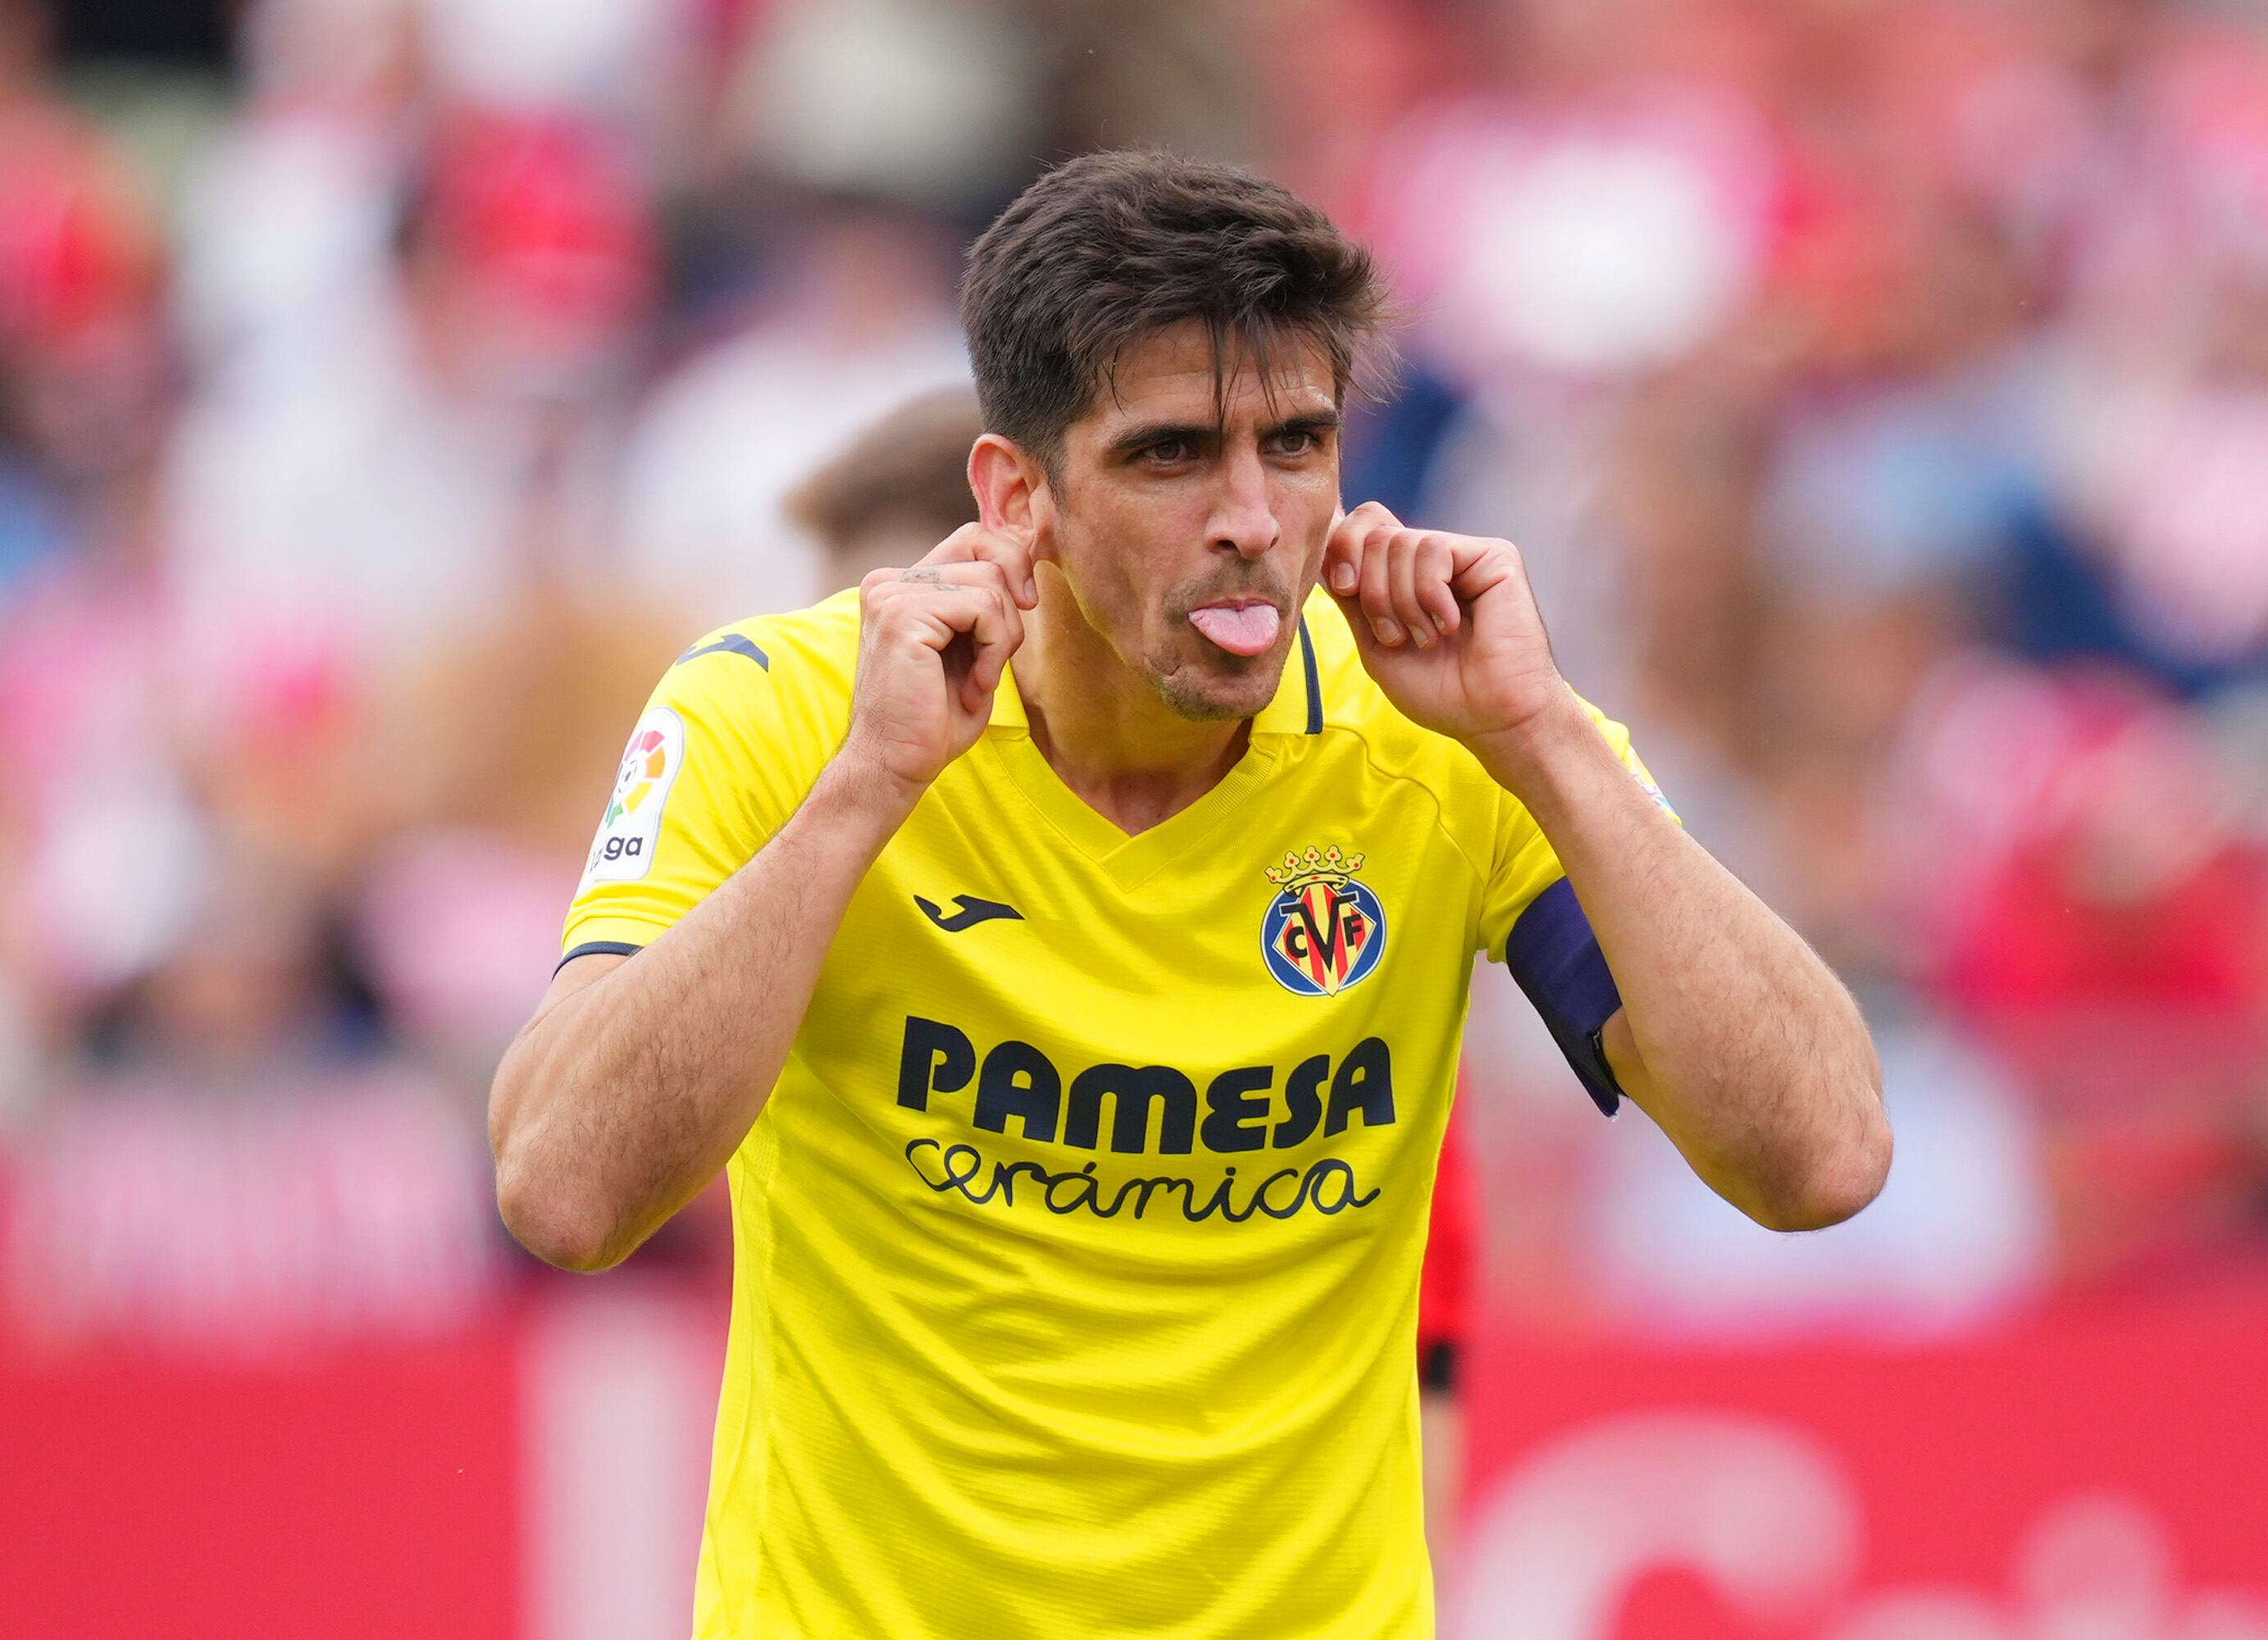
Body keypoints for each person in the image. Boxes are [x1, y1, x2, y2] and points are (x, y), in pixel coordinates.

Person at [488, 150, 1890, 1640]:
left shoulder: (1447, 735)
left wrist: (1546, 740)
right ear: (1014, 494)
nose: (1250, 517)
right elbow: (563, 1193)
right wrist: (865, 796)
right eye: (1170, 454)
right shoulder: (784, 716)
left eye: (1295, 444)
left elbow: (1821, 1160)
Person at [786, 382, 1487, 1566]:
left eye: (915, 611)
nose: (873, 669)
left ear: (1019, 563)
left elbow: (1424, 1391)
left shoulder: (1345, 953)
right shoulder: (831, 823)